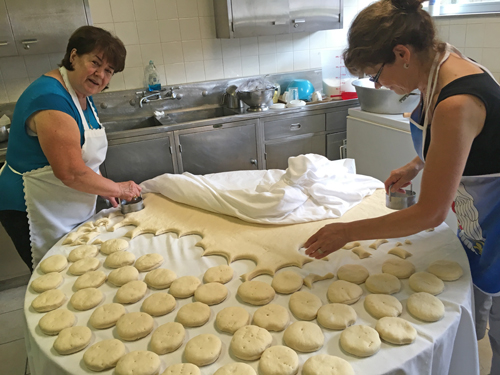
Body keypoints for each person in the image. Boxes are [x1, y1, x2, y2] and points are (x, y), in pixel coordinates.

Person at [304, 0, 500, 373]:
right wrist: (417, 164)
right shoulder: (438, 64)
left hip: (498, 222)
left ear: (402, 53)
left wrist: (346, 233)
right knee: (468, 317)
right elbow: (462, 144)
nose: (380, 85)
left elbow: (430, 213)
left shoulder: (457, 100)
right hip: (480, 221)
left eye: (377, 75)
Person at [0, 26, 142, 271]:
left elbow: (83, 157)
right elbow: (71, 172)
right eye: (95, 63)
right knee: (52, 278)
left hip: (60, 201)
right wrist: (118, 187)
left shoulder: (80, 93)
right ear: (74, 56)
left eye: (108, 70)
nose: (100, 75)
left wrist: (103, 186)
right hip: (34, 208)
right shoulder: (51, 100)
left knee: (76, 271)